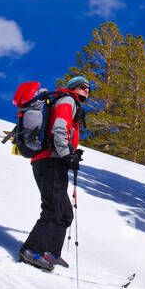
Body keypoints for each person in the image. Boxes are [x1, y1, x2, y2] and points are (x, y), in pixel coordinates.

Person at [18, 76, 90, 272]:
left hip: (53, 160)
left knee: (65, 212)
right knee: (52, 208)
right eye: (83, 86)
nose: (87, 89)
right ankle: (30, 251)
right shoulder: (67, 100)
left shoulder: (69, 101)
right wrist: (68, 154)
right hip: (49, 160)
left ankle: (51, 252)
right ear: (73, 87)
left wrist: (70, 154)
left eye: (89, 88)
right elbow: (59, 128)